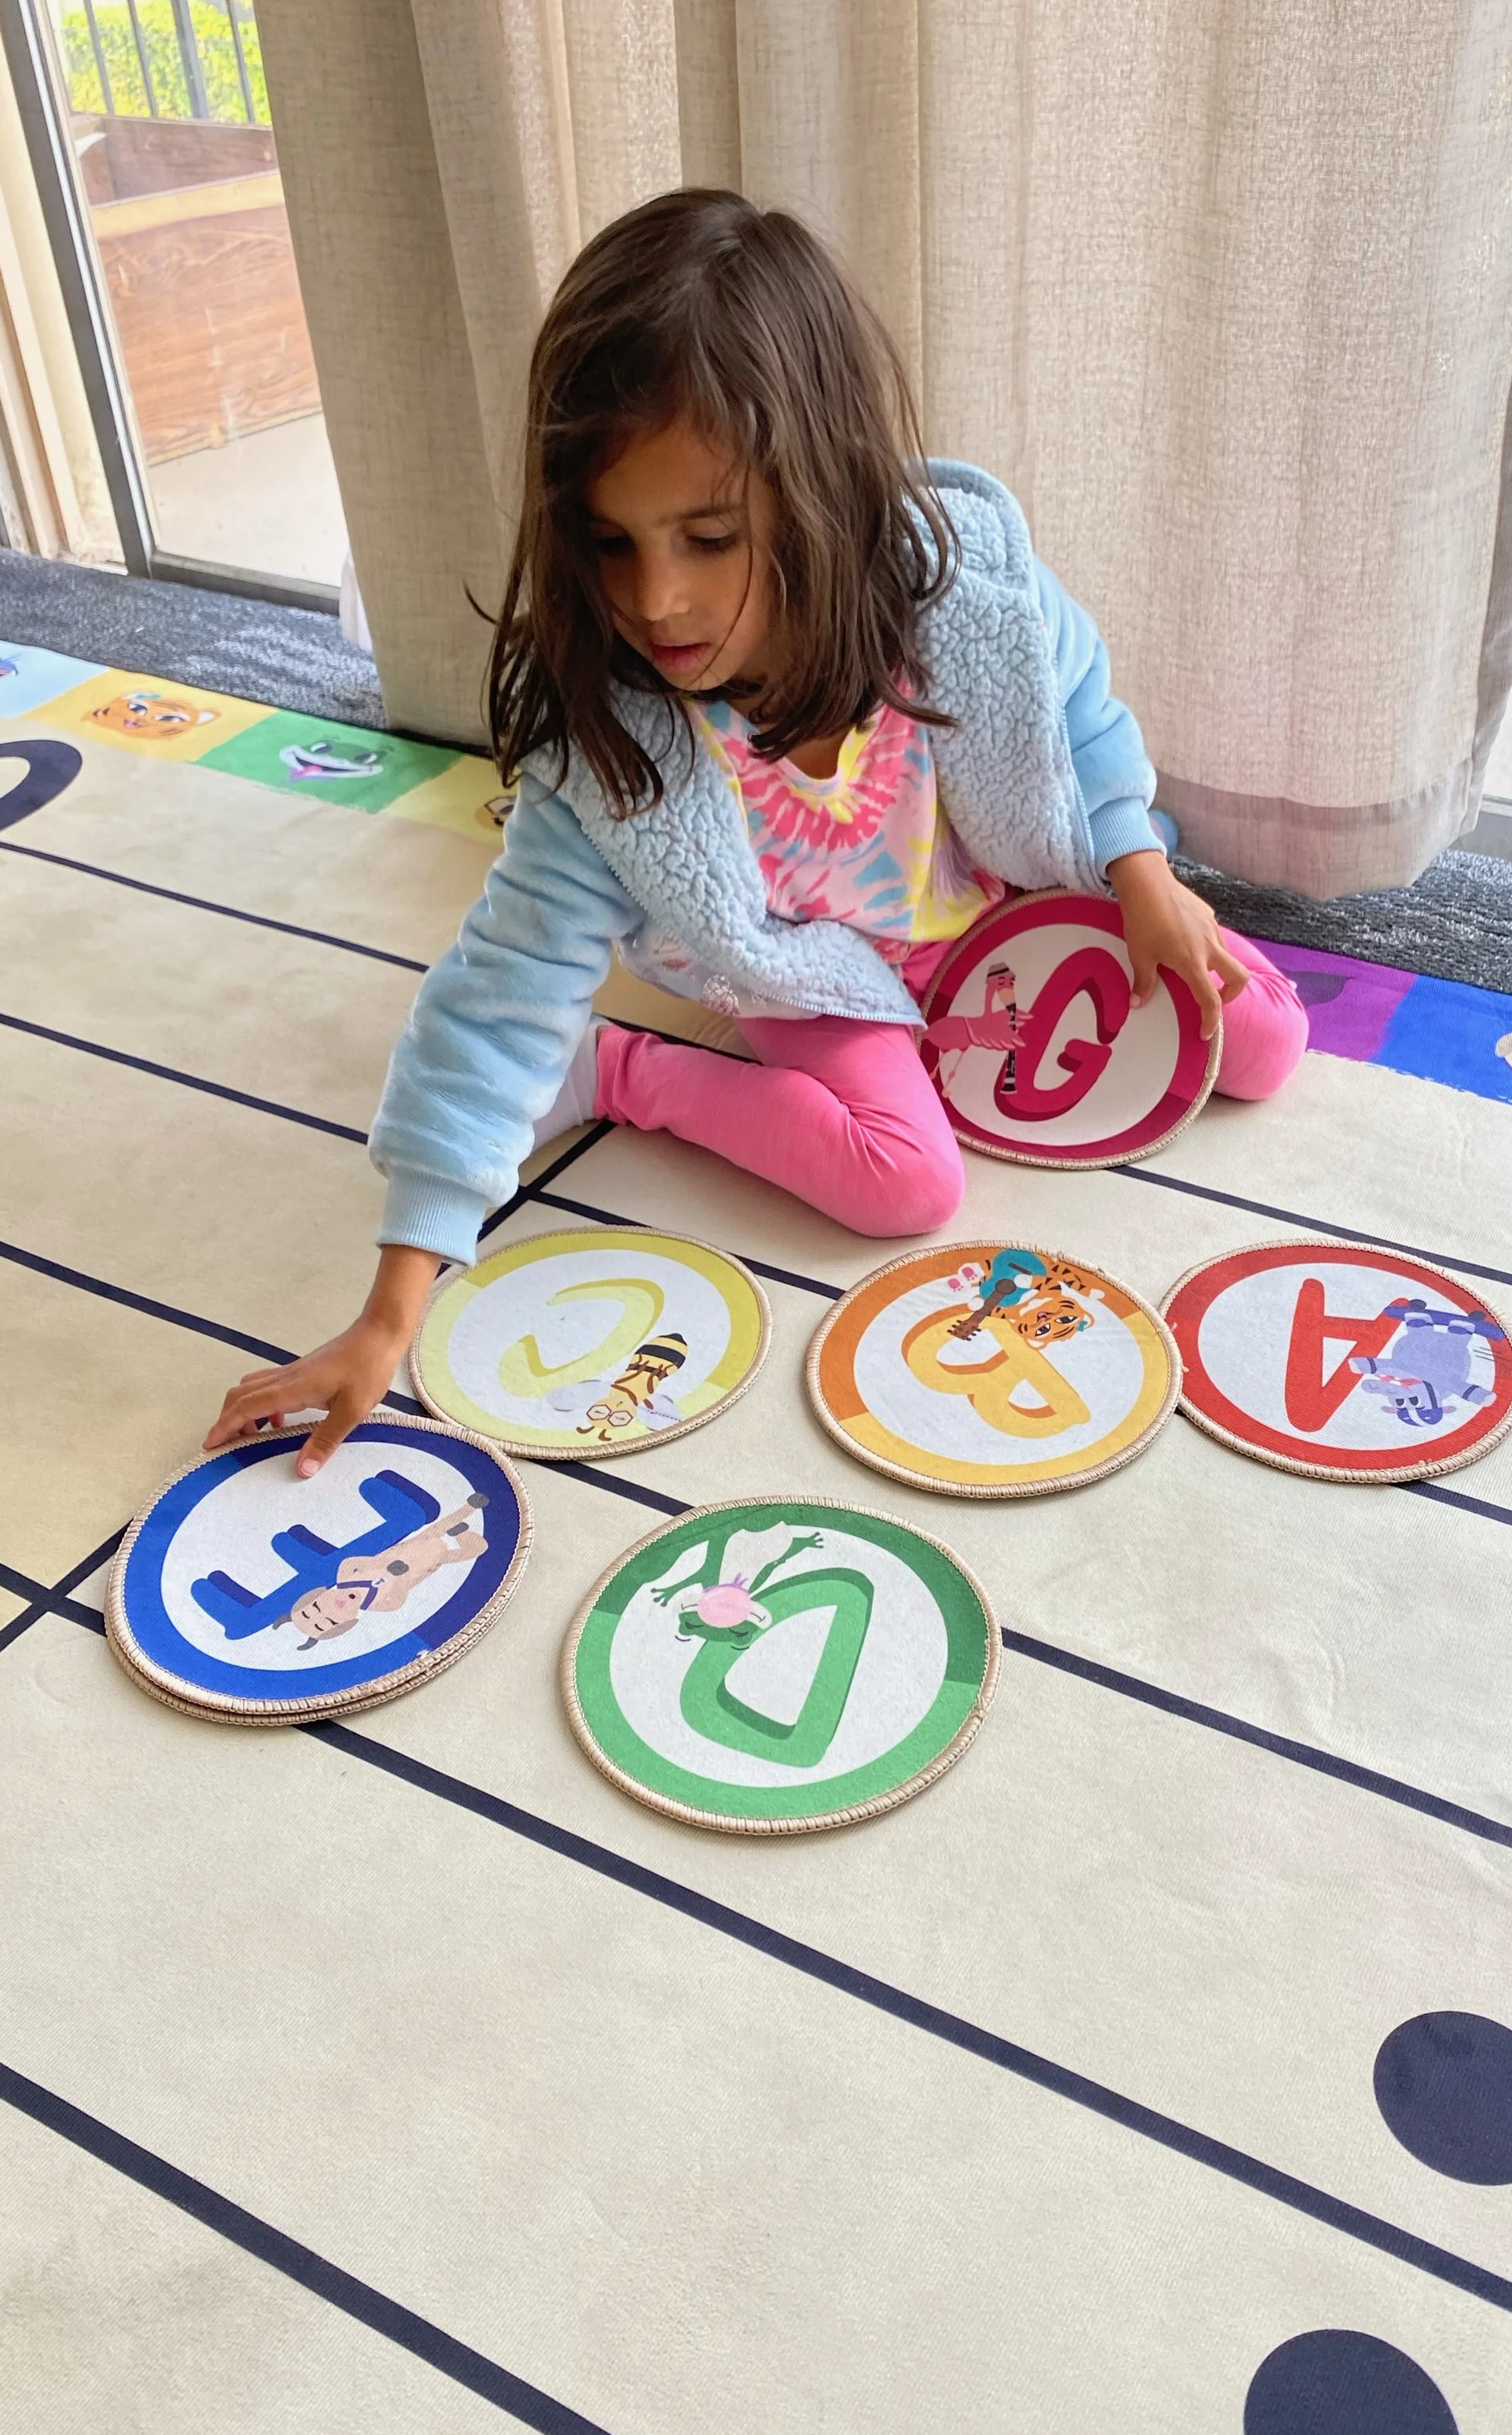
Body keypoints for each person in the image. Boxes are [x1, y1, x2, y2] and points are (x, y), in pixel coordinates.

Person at [205, 189, 1306, 1477]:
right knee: (907, 1189)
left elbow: (1079, 705)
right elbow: (498, 994)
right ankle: (620, 1072)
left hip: (993, 910)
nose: (655, 601)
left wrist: (1137, 868)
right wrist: (393, 1311)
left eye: (710, 537)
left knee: (1267, 1042)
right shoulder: (613, 761)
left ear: (819, 486)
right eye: (610, 544)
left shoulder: (960, 582)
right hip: (814, 971)